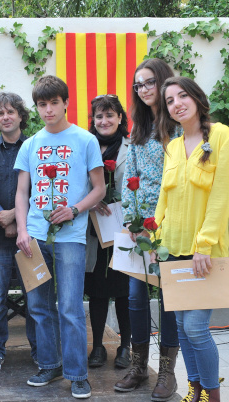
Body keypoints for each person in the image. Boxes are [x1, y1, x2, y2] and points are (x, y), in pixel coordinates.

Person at [14, 75, 105, 399]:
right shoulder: (30, 144)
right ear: (36, 107)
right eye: (42, 104)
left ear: (66, 102)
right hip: (36, 237)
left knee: (69, 306)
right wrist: (23, 230)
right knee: (39, 306)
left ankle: (77, 374)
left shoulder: (85, 140)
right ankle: (50, 365)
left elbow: (99, 188)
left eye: (54, 102)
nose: (49, 109)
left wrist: (75, 210)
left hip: (70, 237)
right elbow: (22, 192)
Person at [157, 76, 229, 402]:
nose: (177, 103)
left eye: (182, 95)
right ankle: (195, 393)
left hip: (204, 253)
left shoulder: (220, 136)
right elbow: (165, 197)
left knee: (195, 327)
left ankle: (214, 401)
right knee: (180, 329)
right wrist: (154, 234)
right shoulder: (174, 146)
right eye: (170, 99)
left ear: (196, 98)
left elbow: (222, 195)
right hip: (173, 250)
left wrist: (204, 243)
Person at [114, 58, 181, 402]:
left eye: (149, 82)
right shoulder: (137, 130)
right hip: (141, 229)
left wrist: (167, 224)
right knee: (136, 298)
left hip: (173, 226)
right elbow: (130, 180)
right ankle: (139, 367)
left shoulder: (182, 127)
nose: (143, 90)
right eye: (138, 85)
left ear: (164, 81)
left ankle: (167, 373)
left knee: (170, 299)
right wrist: (131, 221)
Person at [0, 92, 37, 372]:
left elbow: (41, 191)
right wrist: (1, 218)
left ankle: (40, 349)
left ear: (20, 116)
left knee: (35, 294)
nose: (5, 117)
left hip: (31, 236)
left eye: (10, 112)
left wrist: (16, 217)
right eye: (0, 113)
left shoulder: (36, 147)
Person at [84, 94, 131, 369]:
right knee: (98, 290)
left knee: (124, 290)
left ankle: (126, 347)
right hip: (94, 230)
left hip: (123, 229)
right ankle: (99, 346)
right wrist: (93, 200)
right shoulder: (87, 146)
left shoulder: (131, 146)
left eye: (110, 115)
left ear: (120, 118)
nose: (104, 121)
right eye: (99, 116)